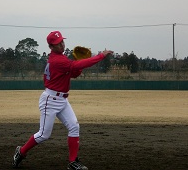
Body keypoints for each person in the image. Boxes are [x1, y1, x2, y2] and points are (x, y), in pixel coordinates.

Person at [12, 31, 113, 170]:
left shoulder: (61, 58)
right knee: (43, 135)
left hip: (62, 100)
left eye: (62, 41)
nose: (61, 44)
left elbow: (74, 73)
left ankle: (73, 162)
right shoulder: (57, 60)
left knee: (74, 126)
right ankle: (21, 152)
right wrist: (100, 56)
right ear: (51, 46)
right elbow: (74, 67)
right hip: (50, 100)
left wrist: (78, 64)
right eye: (57, 43)